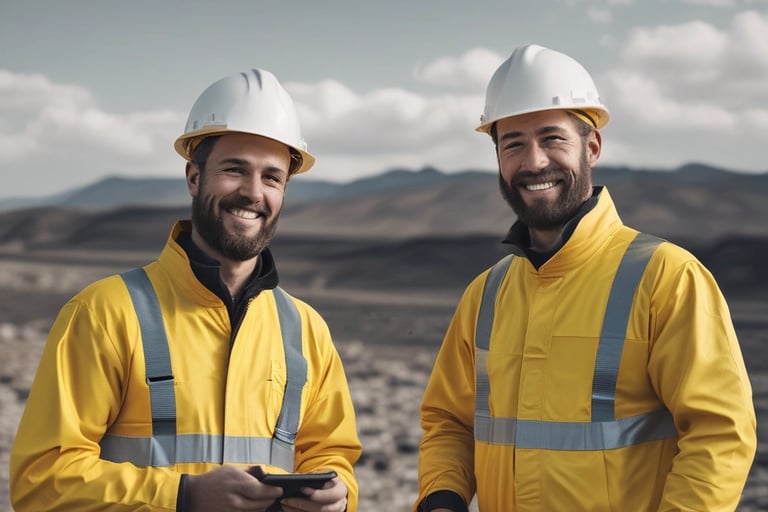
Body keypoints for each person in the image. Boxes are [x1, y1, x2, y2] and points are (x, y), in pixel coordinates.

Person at [415, 44, 757, 511]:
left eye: (553, 139)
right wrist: (442, 497)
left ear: (592, 146)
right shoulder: (486, 294)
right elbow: (449, 421)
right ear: (497, 157)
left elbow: (720, 435)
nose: (534, 162)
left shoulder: (668, 278)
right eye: (513, 143)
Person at [10, 68, 361, 512]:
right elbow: (41, 481)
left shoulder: (306, 330)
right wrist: (184, 496)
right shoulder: (104, 313)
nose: (254, 192)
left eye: (272, 177)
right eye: (235, 170)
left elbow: (331, 454)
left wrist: (339, 496)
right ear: (194, 177)